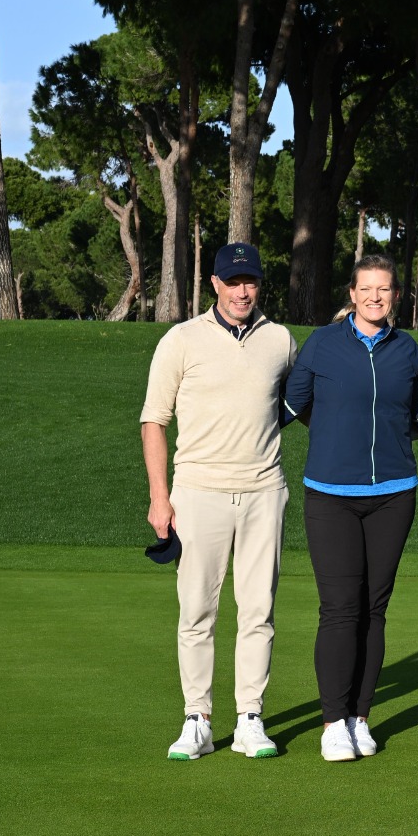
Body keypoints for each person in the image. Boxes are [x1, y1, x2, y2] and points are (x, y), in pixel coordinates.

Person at [283, 254, 418, 763]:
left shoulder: (406, 350)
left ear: (395, 296)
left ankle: (361, 716)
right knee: (340, 610)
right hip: (331, 497)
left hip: (394, 496)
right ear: (352, 295)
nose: (375, 297)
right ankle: (333, 721)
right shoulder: (323, 344)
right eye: (366, 289)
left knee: (375, 611)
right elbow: (287, 407)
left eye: (385, 289)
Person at [140, 242, 297, 761]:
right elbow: (154, 421)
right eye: (233, 282)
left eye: (250, 280)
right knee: (197, 611)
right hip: (198, 492)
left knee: (258, 611)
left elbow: (291, 406)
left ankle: (250, 717)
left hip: (263, 492)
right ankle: (198, 719)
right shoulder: (180, 340)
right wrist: (160, 498)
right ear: (214, 285)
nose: (242, 291)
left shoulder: (280, 340)